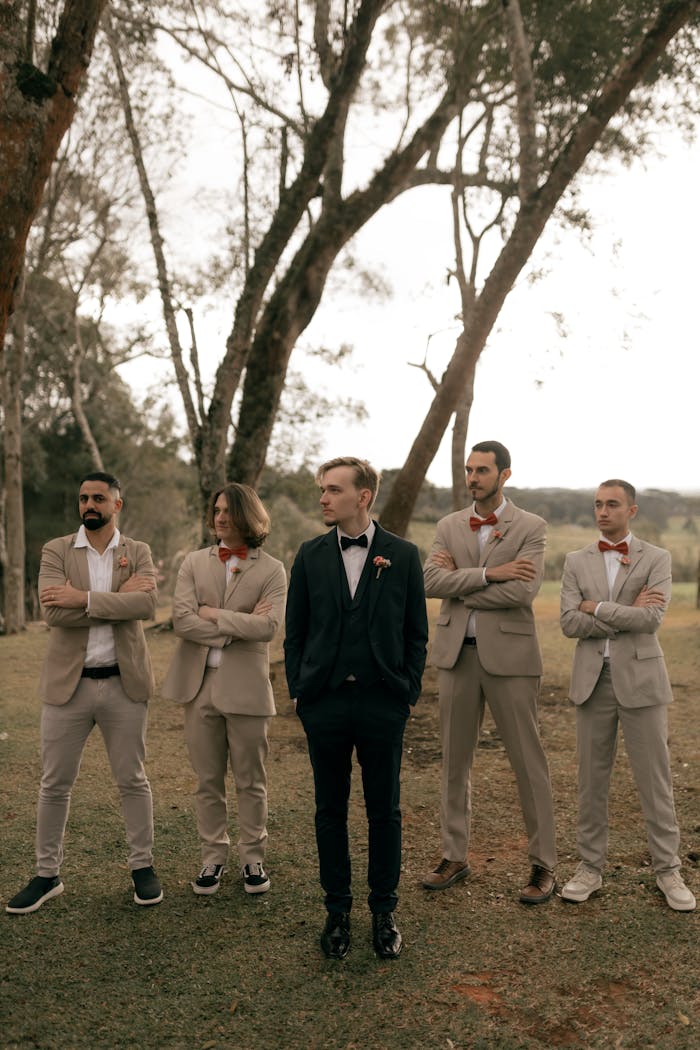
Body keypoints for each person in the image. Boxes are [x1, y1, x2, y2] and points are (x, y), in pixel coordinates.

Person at [284, 457, 428, 959]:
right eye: (322, 490)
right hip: (323, 703)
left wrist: (405, 692)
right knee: (330, 811)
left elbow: (416, 633)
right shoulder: (309, 554)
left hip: (382, 702)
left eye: (333, 490)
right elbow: (296, 631)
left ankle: (384, 911)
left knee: (384, 811)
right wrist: (300, 691)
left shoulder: (403, 556)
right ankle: (337, 910)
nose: (323, 498)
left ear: (363, 496)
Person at [6, 471, 161, 914]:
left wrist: (84, 598)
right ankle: (46, 874)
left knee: (133, 780)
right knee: (54, 784)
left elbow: (146, 605)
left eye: (98, 498)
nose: (88, 505)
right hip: (67, 689)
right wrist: (114, 599)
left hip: (124, 684)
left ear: (117, 504)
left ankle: (142, 868)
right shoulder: (56, 550)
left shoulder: (139, 552)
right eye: (82, 499)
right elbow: (54, 613)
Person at [421, 440, 557, 903]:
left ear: (505, 475)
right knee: (454, 762)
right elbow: (429, 582)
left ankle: (543, 865)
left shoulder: (532, 527)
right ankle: (453, 856)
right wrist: (490, 574)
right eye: (469, 469)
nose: (473, 477)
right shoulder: (447, 525)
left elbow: (523, 594)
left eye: (482, 470)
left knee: (528, 762)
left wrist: (460, 584)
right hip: (456, 656)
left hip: (512, 661)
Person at [559, 479, 695, 911]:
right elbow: (567, 622)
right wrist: (624, 614)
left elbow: (651, 619)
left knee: (655, 780)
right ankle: (589, 867)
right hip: (591, 680)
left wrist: (594, 607)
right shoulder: (575, 560)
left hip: (643, 681)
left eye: (612, 504)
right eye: (597, 504)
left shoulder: (658, 557)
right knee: (591, 780)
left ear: (631, 510)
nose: (602, 511)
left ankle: (668, 870)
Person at [162, 484, 286, 897]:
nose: (219, 518)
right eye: (216, 510)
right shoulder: (193, 562)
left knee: (251, 780)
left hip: (248, 689)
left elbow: (269, 628)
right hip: (198, 688)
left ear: (247, 516)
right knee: (207, 780)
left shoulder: (272, 569)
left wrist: (213, 615)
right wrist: (236, 626)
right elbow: (181, 620)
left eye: (228, 511)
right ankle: (212, 858)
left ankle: (254, 859)